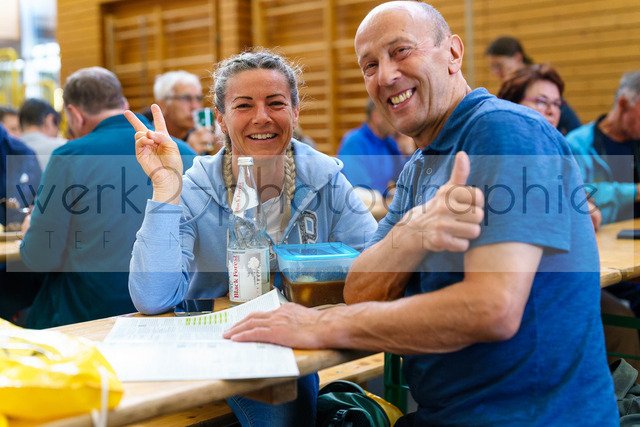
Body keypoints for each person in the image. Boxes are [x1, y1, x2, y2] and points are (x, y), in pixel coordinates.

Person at [224, 2, 618, 425]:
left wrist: (322, 325)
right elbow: (361, 289)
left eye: (401, 51)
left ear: (453, 53)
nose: (385, 75)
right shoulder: (419, 167)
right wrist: (413, 233)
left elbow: (492, 309)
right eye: (369, 65)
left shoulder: (504, 130)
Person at [126, 50, 378, 426]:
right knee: (280, 398)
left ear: (295, 112)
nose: (262, 117)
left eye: (275, 103)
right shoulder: (194, 186)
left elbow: (376, 270)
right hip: (217, 349)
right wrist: (166, 187)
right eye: (244, 105)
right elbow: (152, 297)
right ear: (221, 119)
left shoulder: (326, 179)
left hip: (298, 348)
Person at [18, 67, 196, 329]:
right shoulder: (185, 153)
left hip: (89, 317)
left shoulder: (68, 157)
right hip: (174, 312)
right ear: (124, 105)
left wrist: (28, 230)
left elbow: (40, 258)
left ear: (74, 115)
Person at [498, 63, 640, 370]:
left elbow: (591, 213)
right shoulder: (501, 154)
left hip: (562, 276)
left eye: (556, 104)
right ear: (511, 104)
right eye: (541, 101)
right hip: (518, 286)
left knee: (622, 321)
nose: (551, 111)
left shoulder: (554, 155)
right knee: (618, 324)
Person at [566, 71, 640, 225]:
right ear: (623, 104)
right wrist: (635, 191)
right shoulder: (578, 143)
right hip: (602, 234)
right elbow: (578, 193)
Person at [485, 35, 581, 135]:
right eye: (492, 67)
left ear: (518, 58)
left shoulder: (540, 83)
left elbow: (574, 126)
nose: (495, 72)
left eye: (499, 65)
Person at [337, 98, 407, 195]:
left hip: (385, 203)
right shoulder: (354, 143)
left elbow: (405, 181)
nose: (397, 120)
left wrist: (408, 152)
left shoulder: (390, 142)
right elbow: (362, 190)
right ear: (377, 116)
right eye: (392, 114)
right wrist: (389, 192)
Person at [154, 70, 222, 155]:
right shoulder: (149, 140)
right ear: (163, 104)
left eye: (198, 99)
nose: (195, 106)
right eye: (186, 98)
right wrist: (187, 153)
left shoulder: (203, 138)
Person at [18, 98, 66, 170]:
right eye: (58, 128)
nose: (57, 135)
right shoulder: (64, 148)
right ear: (50, 120)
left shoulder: (6, 150)